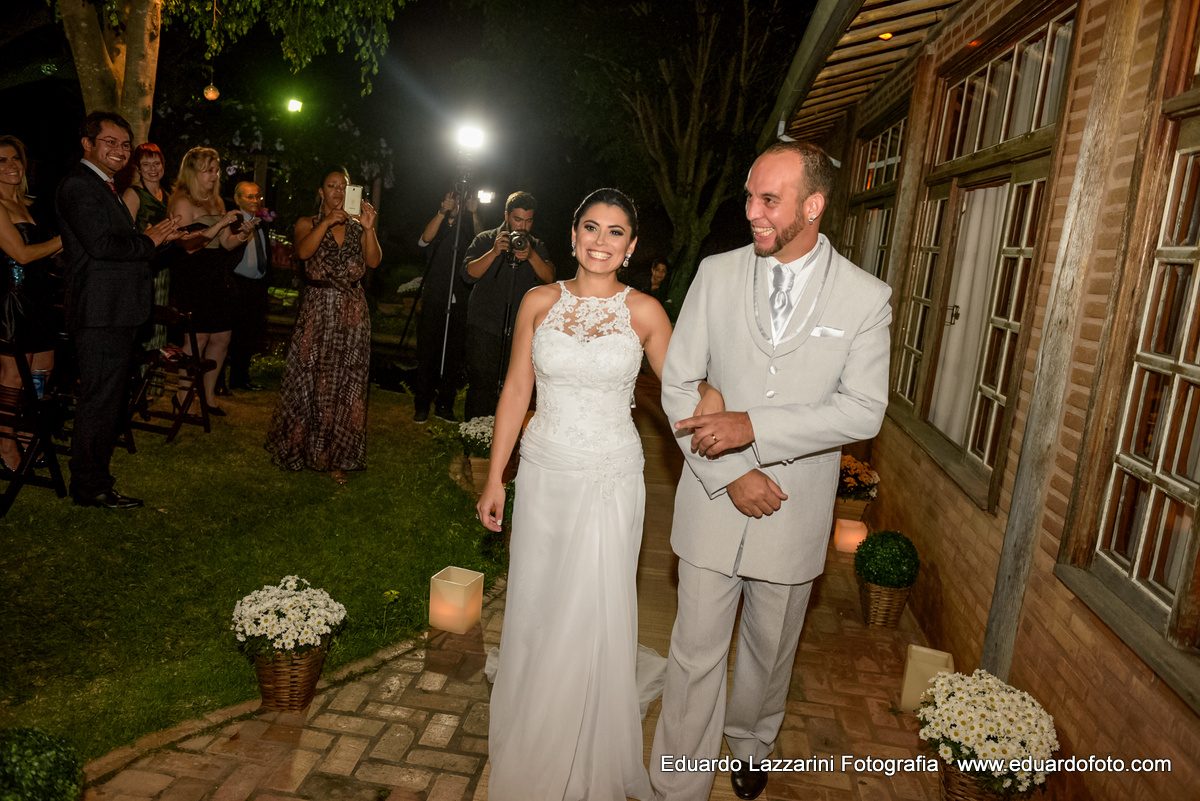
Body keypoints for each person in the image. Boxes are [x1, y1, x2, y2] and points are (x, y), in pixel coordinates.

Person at [649, 141, 893, 801]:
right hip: (712, 498)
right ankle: (678, 780)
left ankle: (751, 741)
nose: (752, 212)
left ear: (813, 206)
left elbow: (864, 410)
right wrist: (731, 472)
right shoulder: (716, 273)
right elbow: (680, 384)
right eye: (749, 197)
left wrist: (754, 427)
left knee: (769, 651)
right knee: (694, 652)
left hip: (794, 509)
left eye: (769, 200)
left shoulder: (866, 298)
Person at [477, 188, 720, 801]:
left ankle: (586, 739)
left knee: (593, 603)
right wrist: (495, 476)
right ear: (573, 235)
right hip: (544, 471)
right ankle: (536, 725)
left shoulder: (645, 312)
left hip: (611, 476)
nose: (601, 241)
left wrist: (716, 399)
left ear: (631, 246)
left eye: (616, 232)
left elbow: (683, 386)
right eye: (591, 227)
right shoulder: (538, 301)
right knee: (539, 599)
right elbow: (516, 390)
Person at [56, 112, 183, 508]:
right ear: (87, 143)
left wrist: (158, 241)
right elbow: (102, 246)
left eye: (125, 144)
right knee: (100, 401)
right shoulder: (79, 185)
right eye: (110, 142)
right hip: (100, 312)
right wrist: (147, 241)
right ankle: (90, 485)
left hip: (116, 310)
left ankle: (93, 479)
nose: (120, 150)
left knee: (109, 399)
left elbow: (122, 249)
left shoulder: (105, 186)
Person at [265, 168, 380, 485]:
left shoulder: (357, 226)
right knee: (311, 379)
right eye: (331, 186)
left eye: (343, 186)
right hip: (318, 311)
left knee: (346, 385)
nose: (338, 192)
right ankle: (303, 450)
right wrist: (327, 222)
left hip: (353, 314)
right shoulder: (307, 223)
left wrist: (369, 229)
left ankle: (338, 456)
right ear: (321, 192)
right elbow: (303, 252)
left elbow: (373, 262)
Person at [460, 191, 553, 421]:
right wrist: (494, 252)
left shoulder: (535, 245)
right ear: (506, 215)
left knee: (514, 387)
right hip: (484, 325)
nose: (523, 226)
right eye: (517, 219)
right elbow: (467, 274)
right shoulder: (485, 239)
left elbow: (549, 278)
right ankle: (475, 434)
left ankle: (504, 435)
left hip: (519, 330)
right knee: (481, 383)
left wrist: (531, 256)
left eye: (528, 221)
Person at [0, 135, 63, 472]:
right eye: (2, 161)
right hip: (13, 301)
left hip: (38, 299)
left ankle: (27, 431)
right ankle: (5, 445)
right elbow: (22, 255)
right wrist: (64, 239)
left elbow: (45, 254)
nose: (12, 165)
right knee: (13, 377)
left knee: (42, 370)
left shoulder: (25, 204)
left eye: (15, 159)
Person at [167, 147, 245, 416]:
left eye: (217, 170)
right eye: (208, 170)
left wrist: (242, 235)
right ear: (193, 172)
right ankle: (182, 394)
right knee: (197, 337)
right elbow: (188, 245)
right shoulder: (183, 201)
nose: (215, 175)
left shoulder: (216, 201)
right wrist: (220, 224)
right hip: (193, 274)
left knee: (222, 336)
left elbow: (225, 243)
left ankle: (208, 395)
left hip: (216, 274)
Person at [412, 190, 481, 422]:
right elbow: (424, 240)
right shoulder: (438, 223)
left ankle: (445, 405)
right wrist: (442, 212)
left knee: (453, 354)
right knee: (427, 352)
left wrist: (474, 214)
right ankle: (422, 405)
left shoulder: (468, 228)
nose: (456, 204)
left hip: (460, 299)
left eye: (460, 200)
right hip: (434, 297)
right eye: (452, 199)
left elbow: (484, 242)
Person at [121, 143, 172, 366]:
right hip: (139, 269)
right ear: (138, 168)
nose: (152, 169)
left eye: (156, 163)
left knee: (159, 325)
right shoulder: (133, 194)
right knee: (141, 326)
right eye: (146, 164)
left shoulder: (168, 197)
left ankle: (153, 378)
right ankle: (137, 376)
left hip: (162, 268)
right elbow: (124, 236)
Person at [226, 181, 270, 392]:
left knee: (249, 334)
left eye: (257, 196)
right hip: (237, 284)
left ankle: (240, 378)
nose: (255, 201)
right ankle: (221, 381)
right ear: (237, 199)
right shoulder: (232, 222)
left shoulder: (262, 224)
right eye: (249, 197)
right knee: (230, 335)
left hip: (256, 286)